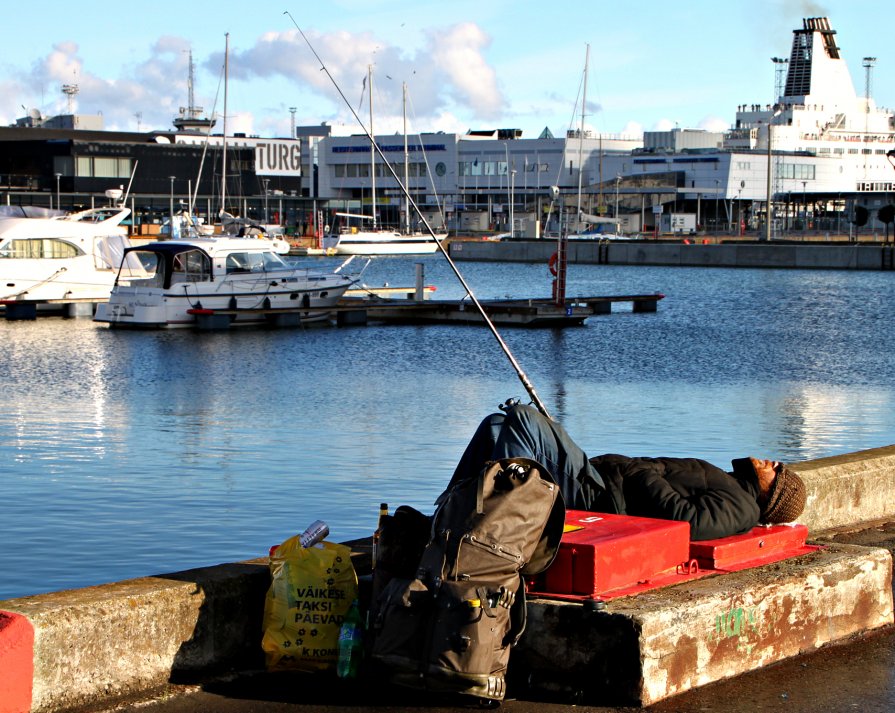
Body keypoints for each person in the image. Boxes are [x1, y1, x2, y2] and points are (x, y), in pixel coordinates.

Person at [447, 401, 807, 541]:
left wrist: (638, 472)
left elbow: (686, 521)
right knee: (498, 424)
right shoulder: (733, 488)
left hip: (603, 499)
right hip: (601, 479)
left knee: (524, 419)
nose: (774, 462)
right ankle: (448, 515)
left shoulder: (741, 508)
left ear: (771, 494)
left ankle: (496, 533)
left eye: (779, 472)